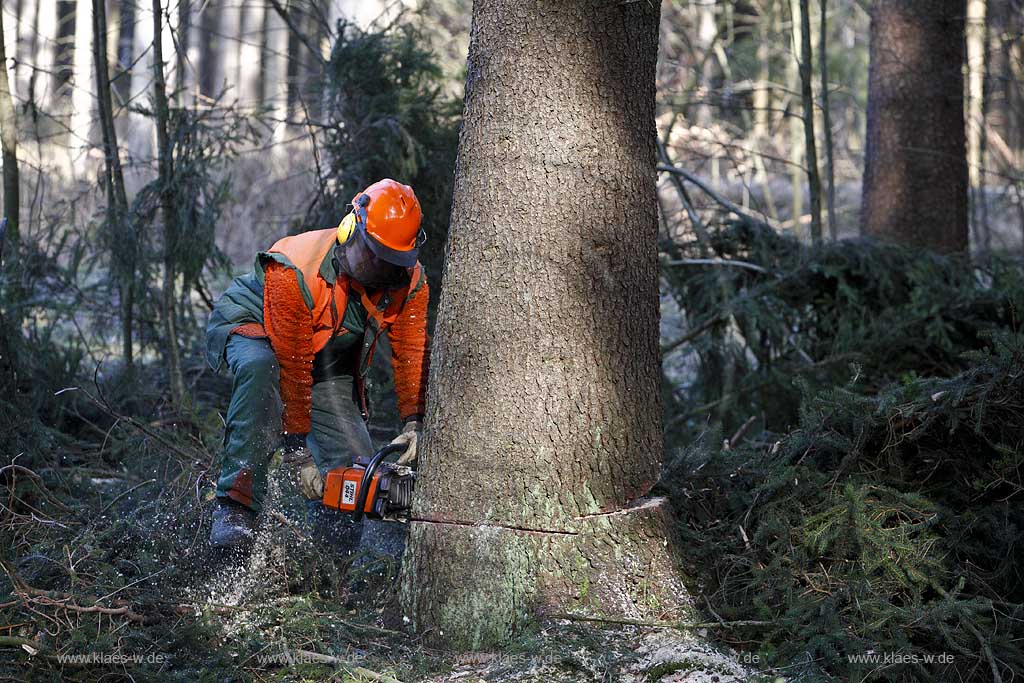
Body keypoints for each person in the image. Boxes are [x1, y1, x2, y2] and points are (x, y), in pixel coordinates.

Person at [204, 178, 429, 552]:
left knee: (355, 465)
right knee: (262, 369)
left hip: (321, 354)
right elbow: (292, 362)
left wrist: (414, 422)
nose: (375, 269)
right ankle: (235, 507)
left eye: (388, 262)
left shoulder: (408, 282)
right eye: (370, 255)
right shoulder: (296, 267)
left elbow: (412, 350)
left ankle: (328, 562)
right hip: (258, 326)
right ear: (350, 228)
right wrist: (298, 452)